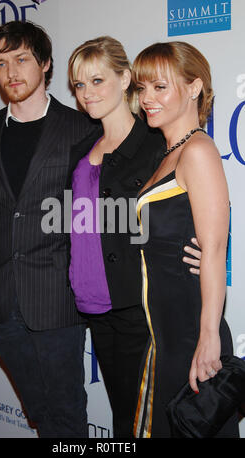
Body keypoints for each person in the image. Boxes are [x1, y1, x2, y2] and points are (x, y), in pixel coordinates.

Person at [0, 20, 96, 438]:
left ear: (45, 63)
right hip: (0, 302)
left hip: (58, 300)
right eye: (1, 63)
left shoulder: (81, 128)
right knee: (39, 412)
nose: (10, 73)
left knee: (68, 416)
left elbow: (93, 220)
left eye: (21, 59)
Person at [67, 36, 202, 438]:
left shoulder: (153, 144)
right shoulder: (80, 146)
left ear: (125, 79)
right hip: (92, 305)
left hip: (136, 305)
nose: (87, 93)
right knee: (121, 414)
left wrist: (200, 249)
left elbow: (178, 206)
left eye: (96, 80)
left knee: (140, 420)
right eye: (78, 85)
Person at [132, 41, 239, 438]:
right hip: (166, 332)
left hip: (193, 331)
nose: (146, 99)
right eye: (142, 88)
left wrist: (208, 337)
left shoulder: (197, 151)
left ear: (194, 88)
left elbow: (213, 249)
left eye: (159, 87)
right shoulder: (167, 154)